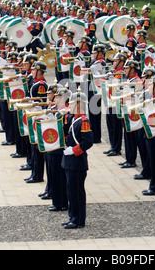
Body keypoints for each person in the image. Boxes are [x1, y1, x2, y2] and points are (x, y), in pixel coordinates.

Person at [62, 88, 94, 229]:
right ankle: (72, 216)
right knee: (70, 191)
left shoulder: (84, 121)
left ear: (80, 105)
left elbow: (88, 142)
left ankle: (78, 220)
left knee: (77, 192)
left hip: (77, 162)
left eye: (73, 103)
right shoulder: (73, 118)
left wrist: (74, 150)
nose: (70, 106)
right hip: (70, 162)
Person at [24, 60, 48, 184]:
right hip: (34, 115)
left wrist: (31, 102)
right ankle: (34, 173)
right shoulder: (36, 82)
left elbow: (42, 102)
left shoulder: (42, 85)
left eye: (34, 70)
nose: (32, 71)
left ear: (39, 71)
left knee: (37, 148)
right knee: (33, 146)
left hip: (38, 116)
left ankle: (37, 175)